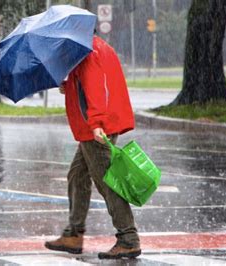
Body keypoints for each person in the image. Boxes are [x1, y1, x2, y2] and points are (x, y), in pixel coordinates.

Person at [44, 35, 141, 259]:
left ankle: (128, 237)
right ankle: (73, 234)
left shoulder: (87, 53)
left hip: (96, 128)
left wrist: (96, 123)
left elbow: (96, 87)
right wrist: (69, 85)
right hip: (97, 125)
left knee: (107, 181)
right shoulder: (99, 47)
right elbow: (92, 85)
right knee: (77, 175)